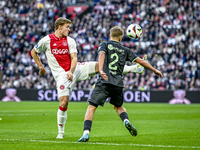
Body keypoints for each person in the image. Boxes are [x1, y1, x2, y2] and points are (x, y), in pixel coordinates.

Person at [31, 17, 146, 139]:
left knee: (102, 65)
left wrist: (71, 71)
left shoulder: (70, 41)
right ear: (59, 27)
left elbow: (74, 58)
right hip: (61, 74)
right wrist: (41, 67)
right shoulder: (46, 40)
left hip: (75, 69)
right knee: (64, 102)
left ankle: (134, 68)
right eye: (67, 27)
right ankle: (61, 132)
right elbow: (34, 51)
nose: (69, 29)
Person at [78, 26, 163, 142]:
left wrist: (101, 69)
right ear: (120, 38)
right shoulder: (125, 50)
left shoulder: (104, 44)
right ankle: (126, 121)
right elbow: (141, 61)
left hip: (104, 81)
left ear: (110, 35)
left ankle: (86, 133)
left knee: (91, 107)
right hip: (118, 83)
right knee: (118, 107)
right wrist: (154, 70)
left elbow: (101, 55)